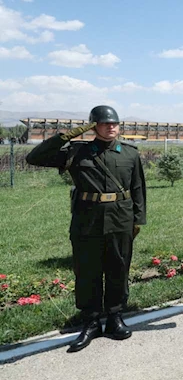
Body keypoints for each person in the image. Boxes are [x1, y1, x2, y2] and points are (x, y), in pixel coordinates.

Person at [26, 106, 146, 352]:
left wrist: (137, 220)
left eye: (114, 123)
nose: (110, 127)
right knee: (87, 270)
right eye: (104, 123)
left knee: (118, 267)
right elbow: (34, 157)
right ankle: (90, 322)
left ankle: (114, 317)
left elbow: (138, 190)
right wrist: (68, 135)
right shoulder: (76, 152)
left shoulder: (129, 154)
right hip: (86, 221)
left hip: (120, 219)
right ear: (93, 126)